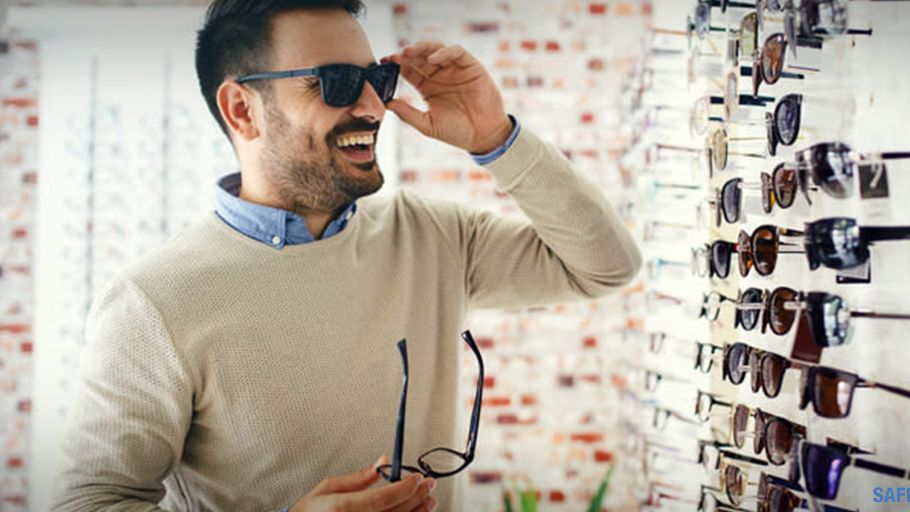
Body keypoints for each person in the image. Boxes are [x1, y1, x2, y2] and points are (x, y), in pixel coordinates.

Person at [50, 1, 641, 511]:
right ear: (241, 110)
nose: (373, 107)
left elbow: (606, 265)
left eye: (376, 79)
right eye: (335, 82)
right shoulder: (152, 302)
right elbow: (92, 501)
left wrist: (495, 137)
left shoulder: (430, 234)